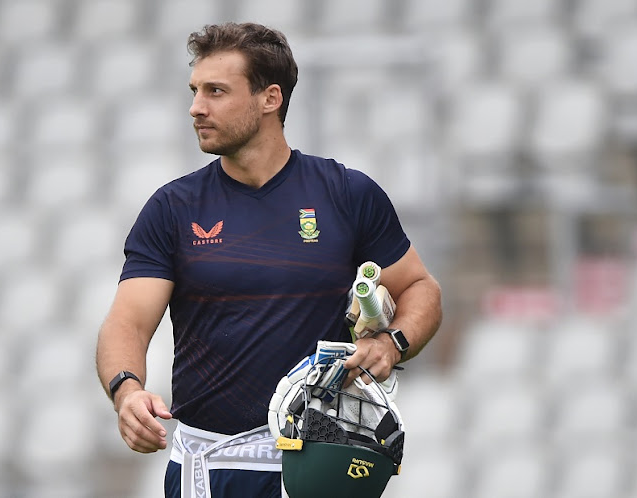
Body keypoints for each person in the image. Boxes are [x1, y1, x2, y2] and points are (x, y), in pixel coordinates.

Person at [96, 21, 442, 498]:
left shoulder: (346, 193)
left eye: (216, 91)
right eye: (195, 90)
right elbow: (127, 323)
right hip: (209, 467)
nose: (196, 107)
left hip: (318, 466)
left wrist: (392, 342)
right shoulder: (173, 208)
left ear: (270, 99)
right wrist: (126, 391)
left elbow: (421, 289)